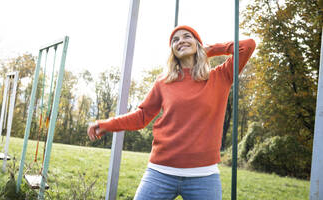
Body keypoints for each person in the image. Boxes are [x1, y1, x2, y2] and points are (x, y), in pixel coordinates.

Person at [88, 25, 256, 200]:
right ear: (172, 51)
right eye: (175, 40)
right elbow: (142, 117)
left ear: (197, 44)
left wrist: (209, 50)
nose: (181, 41)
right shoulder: (164, 82)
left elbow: (248, 45)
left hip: (204, 176)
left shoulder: (220, 77)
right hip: (160, 172)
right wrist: (107, 124)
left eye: (187, 37)